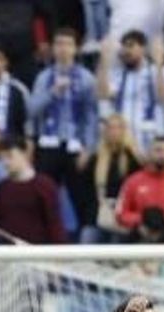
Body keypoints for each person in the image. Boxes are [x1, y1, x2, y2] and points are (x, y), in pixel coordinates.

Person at [29, 28, 99, 235]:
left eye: (68, 44)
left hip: (76, 146)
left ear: (76, 49)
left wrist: (89, 147)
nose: (63, 49)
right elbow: (32, 110)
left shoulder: (87, 78)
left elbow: (92, 116)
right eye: (59, 44)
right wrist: (52, 93)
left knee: (82, 196)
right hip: (48, 144)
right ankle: (43, 236)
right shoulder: (44, 77)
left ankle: (84, 240)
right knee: (43, 194)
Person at [95, 30, 164, 154]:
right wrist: (104, 61)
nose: (126, 51)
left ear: (143, 49)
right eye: (123, 46)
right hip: (123, 142)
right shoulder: (116, 74)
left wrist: (159, 63)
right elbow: (103, 95)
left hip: (151, 142)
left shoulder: (161, 72)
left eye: (131, 46)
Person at [0, 136, 66, 244]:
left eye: (10, 156)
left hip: (37, 254)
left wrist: (58, 254)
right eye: (2, 158)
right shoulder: (2, 188)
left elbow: (54, 224)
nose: (6, 162)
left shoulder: (45, 186)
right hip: (6, 255)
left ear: (24, 154)